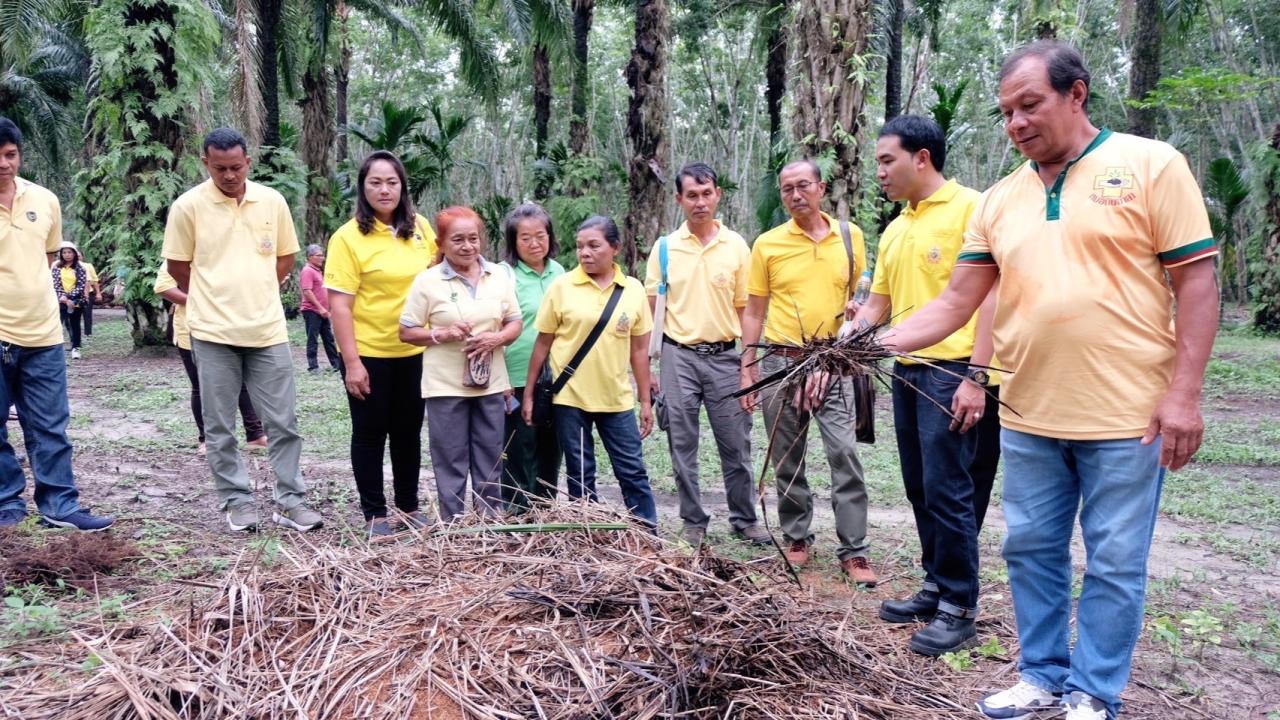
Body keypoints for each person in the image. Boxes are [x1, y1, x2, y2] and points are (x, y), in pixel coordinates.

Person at [881, 42, 1220, 720]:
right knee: (1031, 550)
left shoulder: (1152, 166)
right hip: (1030, 413)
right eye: (1006, 112)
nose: (1016, 123)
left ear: (1077, 94)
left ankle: (1093, 691)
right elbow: (955, 304)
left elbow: (1197, 281)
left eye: (1029, 105)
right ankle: (1040, 675)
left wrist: (1183, 394)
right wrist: (862, 342)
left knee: (1115, 562)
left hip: (1129, 418)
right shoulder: (1002, 200)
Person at [850, 114, 1000, 656]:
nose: (881, 173)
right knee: (919, 487)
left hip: (955, 372)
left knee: (950, 490)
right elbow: (877, 306)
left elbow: (991, 299)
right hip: (908, 372)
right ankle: (936, 586)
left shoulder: (974, 209)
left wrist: (977, 379)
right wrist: (845, 339)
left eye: (887, 160)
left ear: (922, 158)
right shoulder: (896, 227)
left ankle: (960, 606)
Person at [162, 127, 322, 534]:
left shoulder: (272, 201)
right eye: (220, 168)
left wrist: (258, 289)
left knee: (282, 423)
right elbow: (179, 268)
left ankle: (290, 502)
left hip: (267, 330)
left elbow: (285, 258)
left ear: (248, 162)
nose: (229, 175)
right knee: (220, 425)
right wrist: (216, 295)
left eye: (236, 167)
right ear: (206, 164)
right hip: (213, 332)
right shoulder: (187, 207)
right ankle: (237, 501)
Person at [738, 160, 875, 585]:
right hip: (781, 361)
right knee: (786, 456)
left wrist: (857, 306)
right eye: (786, 190)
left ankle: (854, 551)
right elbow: (755, 311)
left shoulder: (850, 237)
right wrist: (748, 370)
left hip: (833, 360)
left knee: (843, 452)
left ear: (821, 187)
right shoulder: (767, 244)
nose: (795, 196)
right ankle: (797, 538)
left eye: (802, 186)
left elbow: (860, 292)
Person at [644, 163, 769, 547]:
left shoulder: (736, 246)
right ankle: (693, 520)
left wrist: (750, 367)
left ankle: (744, 518)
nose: (700, 202)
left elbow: (746, 310)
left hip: (726, 358)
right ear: (679, 199)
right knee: (682, 443)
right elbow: (653, 309)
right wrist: (651, 368)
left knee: (736, 442)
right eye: (692, 195)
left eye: (707, 193)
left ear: (718, 195)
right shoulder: (665, 248)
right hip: (677, 356)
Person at [0, 117, 113, 531]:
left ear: (19, 155)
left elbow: (47, 258)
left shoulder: (44, 200)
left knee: (50, 425)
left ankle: (60, 505)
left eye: (10, 155)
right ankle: (5, 505)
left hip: (43, 334)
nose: (3, 164)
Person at [326, 151, 438, 537]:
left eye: (392, 182)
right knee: (370, 433)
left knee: (408, 432)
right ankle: (375, 515)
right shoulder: (347, 237)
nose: (385, 189)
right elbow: (339, 304)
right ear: (363, 188)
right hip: (370, 352)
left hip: (416, 351)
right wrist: (352, 362)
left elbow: (439, 276)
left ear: (402, 185)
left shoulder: (421, 228)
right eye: (375, 182)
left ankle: (408, 508)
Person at [522, 215, 659, 529]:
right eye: (580, 246)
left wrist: (646, 400)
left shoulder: (633, 290)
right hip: (571, 398)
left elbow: (639, 350)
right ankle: (587, 532)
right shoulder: (562, 287)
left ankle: (646, 531)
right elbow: (542, 344)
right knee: (580, 471)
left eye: (594, 245)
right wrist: (529, 393)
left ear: (615, 248)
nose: (585, 252)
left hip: (616, 399)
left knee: (632, 469)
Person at [400, 206, 521, 522]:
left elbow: (514, 322)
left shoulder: (498, 276)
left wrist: (497, 340)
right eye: (458, 240)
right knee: (450, 458)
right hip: (445, 386)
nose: (468, 246)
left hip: (491, 384)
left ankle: (489, 522)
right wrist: (442, 333)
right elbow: (406, 331)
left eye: (473, 238)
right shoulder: (427, 282)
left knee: (490, 456)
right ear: (440, 244)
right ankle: (454, 526)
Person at [153, 267, 269, 456]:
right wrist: (202, 302)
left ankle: (255, 434)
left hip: (230, 326)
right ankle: (207, 439)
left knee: (240, 381)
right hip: (192, 329)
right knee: (200, 387)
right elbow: (164, 287)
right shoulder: (181, 254)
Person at [498, 203, 565, 513]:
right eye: (525, 238)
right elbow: (494, 326)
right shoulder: (503, 275)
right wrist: (501, 380)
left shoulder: (561, 273)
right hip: (516, 375)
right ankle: (516, 510)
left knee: (551, 446)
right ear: (513, 242)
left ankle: (545, 508)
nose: (535, 243)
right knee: (518, 445)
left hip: (556, 378)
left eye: (541, 235)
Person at [300, 244, 342, 374]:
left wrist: (327, 309)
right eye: (319, 255)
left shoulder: (317, 271)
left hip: (322, 311)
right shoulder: (307, 271)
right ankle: (313, 367)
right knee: (313, 338)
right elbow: (307, 291)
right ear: (309, 257)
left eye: (322, 255)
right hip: (312, 310)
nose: (322, 258)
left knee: (328, 338)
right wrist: (320, 308)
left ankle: (337, 365)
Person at [52, 242, 88, 360]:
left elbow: (81, 285)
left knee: (75, 324)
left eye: (69, 252)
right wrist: (62, 297)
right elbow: (55, 284)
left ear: (74, 253)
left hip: (76, 300)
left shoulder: (80, 268)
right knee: (58, 323)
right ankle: (56, 349)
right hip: (60, 300)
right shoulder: (57, 267)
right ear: (61, 254)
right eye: (64, 252)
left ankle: (75, 348)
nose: (67, 255)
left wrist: (69, 297)